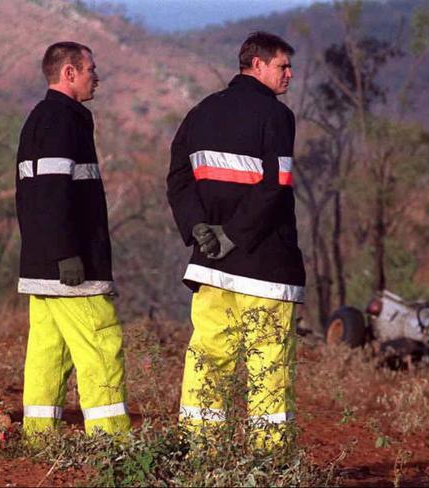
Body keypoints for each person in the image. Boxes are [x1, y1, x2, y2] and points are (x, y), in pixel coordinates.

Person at [167, 31, 305, 447]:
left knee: (207, 359)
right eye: (283, 66)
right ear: (257, 64)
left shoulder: (200, 112)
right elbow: (276, 184)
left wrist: (198, 230)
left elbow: (178, 180)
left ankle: (200, 452)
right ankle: (269, 461)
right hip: (264, 267)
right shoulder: (276, 116)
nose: (289, 74)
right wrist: (233, 235)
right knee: (269, 364)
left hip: (211, 266)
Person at [15, 41, 130, 436]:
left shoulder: (42, 118)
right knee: (101, 344)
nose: (96, 77)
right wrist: (67, 253)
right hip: (72, 268)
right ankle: (113, 442)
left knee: (49, 352)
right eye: (90, 70)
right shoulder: (63, 120)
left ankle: (40, 439)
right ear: (69, 73)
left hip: (42, 266)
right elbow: (51, 192)